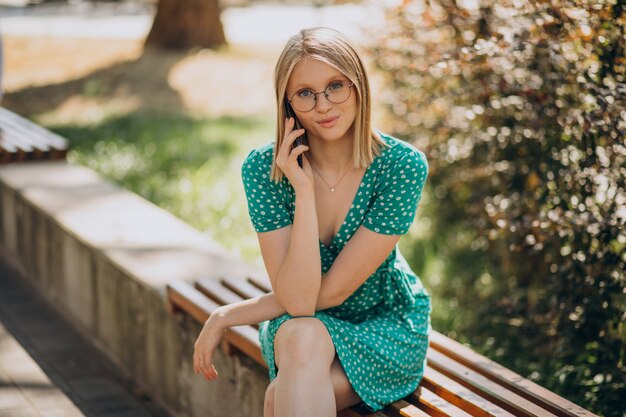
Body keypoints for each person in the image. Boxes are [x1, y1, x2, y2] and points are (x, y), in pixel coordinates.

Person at [193, 27, 430, 417]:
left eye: (336, 85)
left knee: (281, 397)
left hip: (383, 328)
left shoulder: (400, 167)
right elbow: (300, 303)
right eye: (305, 93)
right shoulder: (265, 170)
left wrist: (229, 315)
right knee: (301, 338)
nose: (323, 105)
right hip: (301, 328)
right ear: (287, 104)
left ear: (358, 84)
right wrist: (303, 190)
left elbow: (328, 294)